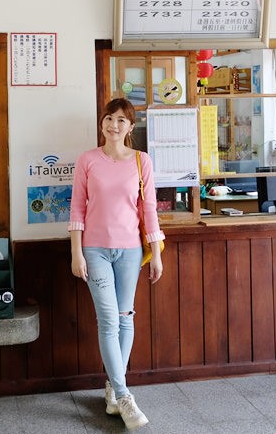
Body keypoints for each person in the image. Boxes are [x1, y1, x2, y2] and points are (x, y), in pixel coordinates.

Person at [68, 97, 164, 431]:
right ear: (102, 123)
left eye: (121, 120)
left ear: (130, 127)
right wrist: (76, 252)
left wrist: (157, 253)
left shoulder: (142, 161)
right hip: (94, 249)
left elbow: (148, 209)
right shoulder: (87, 160)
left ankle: (112, 387)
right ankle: (123, 395)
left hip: (131, 250)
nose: (114, 125)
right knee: (108, 319)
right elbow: (77, 208)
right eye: (109, 118)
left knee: (125, 318)